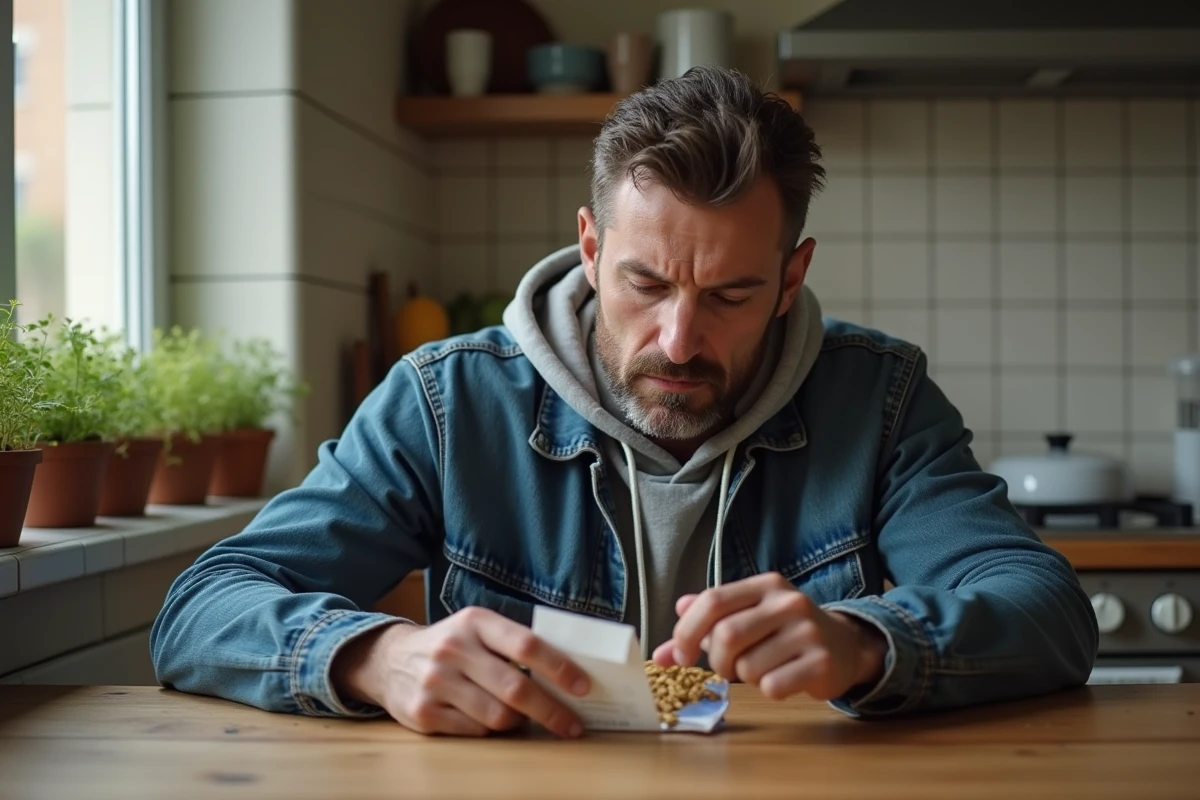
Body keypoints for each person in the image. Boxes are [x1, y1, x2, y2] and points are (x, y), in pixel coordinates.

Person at [151, 66, 1098, 739]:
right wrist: (369, 657)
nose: (680, 341)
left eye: (730, 295)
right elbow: (202, 607)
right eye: (645, 284)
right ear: (593, 248)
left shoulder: (881, 401)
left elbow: (1046, 609)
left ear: (790, 275)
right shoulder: (445, 403)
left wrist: (864, 640)